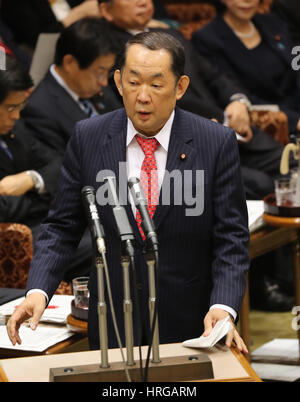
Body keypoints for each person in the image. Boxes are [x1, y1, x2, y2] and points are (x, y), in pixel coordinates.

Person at [7, 31, 249, 354]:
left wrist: (223, 307)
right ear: (118, 82)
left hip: (191, 324)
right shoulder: (89, 137)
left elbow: (231, 238)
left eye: (156, 84)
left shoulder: (215, 142)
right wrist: (37, 291)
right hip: (113, 326)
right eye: (133, 83)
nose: (143, 96)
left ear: (180, 87)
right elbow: (62, 227)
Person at [98, 0, 286, 201]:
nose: (143, 2)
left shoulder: (171, 35)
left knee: (289, 162)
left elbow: (213, 75)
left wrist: (237, 100)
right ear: (106, 10)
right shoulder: (109, 51)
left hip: (228, 127)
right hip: (185, 145)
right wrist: (197, 129)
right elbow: (135, 110)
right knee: (262, 184)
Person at [0, 54, 93, 282]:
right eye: (11, 107)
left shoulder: (16, 129)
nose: (17, 115)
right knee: (107, 244)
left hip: (47, 222)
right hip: (17, 238)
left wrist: (32, 179)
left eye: (20, 105)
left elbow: (61, 161)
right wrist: (45, 196)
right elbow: (4, 208)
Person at [191, 0, 300, 134]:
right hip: (270, 124)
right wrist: (294, 120)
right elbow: (234, 90)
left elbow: (296, 67)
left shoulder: (274, 22)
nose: (247, 1)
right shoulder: (208, 38)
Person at [21, 17, 121, 155]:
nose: (104, 82)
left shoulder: (95, 83)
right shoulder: (38, 110)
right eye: (99, 72)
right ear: (70, 63)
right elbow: (65, 168)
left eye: (106, 72)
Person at [1, 0, 102, 52]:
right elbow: (38, 41)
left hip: (92, 34)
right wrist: (76, 15)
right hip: (57, 51)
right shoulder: (14, 3)